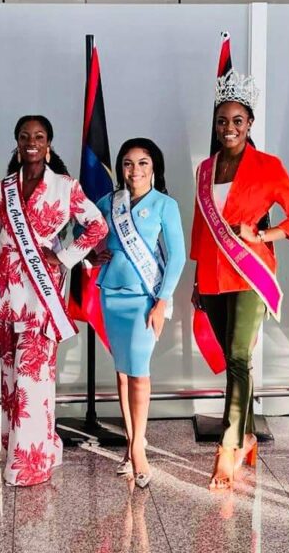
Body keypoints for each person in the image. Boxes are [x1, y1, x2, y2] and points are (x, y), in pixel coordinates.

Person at [189, 71, 289, 490]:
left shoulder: (268, 166)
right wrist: (194, 277)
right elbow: (200, 227)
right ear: (215, 123)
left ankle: (228, 449)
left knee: (240, 358)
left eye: (237, 120)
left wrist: (262, 234)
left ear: (250, 124)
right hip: (211, 275)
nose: (229, 128)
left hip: (248, 273)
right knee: (232, 359)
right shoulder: (205, 169)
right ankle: (246, 436)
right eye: (223, 120)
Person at [0, 115, 108, 487]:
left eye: (38, 136)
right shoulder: (2, 188)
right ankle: (20, 449)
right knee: (11, 378)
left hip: (42, 291)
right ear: (17, 142)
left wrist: (66, 256)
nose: (31, 142)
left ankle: (32, 462)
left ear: (49, 143)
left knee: (34, 377)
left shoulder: (65, 186)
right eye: (24, 136)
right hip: (9, 292)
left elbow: (98, 225)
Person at [91, 138, 185, 488]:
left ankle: (138, 448)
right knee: (121, 370)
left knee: (139, 372)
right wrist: (91, 255)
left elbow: (175, 256)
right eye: (128, 163)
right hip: (111, 295)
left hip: (145, 298)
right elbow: (85, 235)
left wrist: (162, 301)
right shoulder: (107, 202)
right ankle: (131, 445)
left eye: (143, 163)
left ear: (154, 167)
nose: (135, 170)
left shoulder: (165, 205)